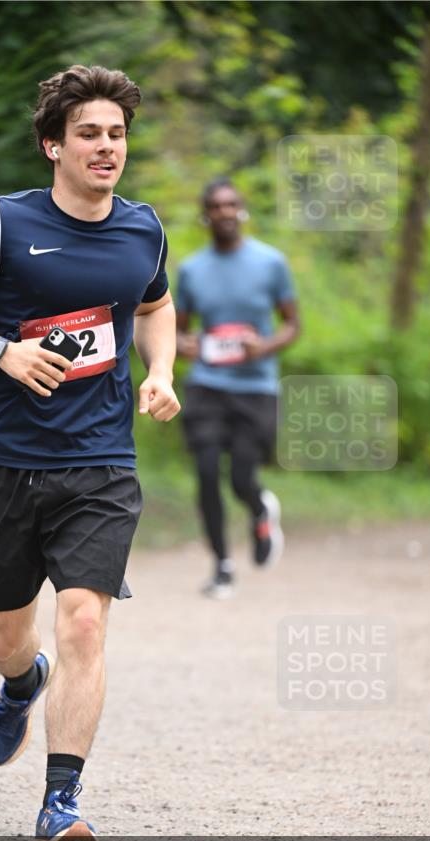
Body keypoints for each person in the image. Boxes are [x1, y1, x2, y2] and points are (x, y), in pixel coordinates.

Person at [0, 65, 180, 841]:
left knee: (86, 622)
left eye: (117, 134)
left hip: (100, 465)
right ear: (51, 145)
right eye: (90, 134)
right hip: (6, 463)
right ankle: (20, 683)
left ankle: (61, 805)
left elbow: (155, 305)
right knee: (4, 635)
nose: (107, 147)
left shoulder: (144, 230)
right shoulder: (0, 225)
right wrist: (4, 351)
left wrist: (160, 372)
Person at [176, 178, 300, 598]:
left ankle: (260, 507)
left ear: (242, 210)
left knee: (242, 478)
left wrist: (264, 346)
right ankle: (222, 566)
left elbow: (292, 324)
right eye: (215, 206)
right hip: (208, 385)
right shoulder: (192, 269)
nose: (224, 212)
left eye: (231, 205)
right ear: (205, 215)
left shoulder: (270, 263)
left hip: (256, 387)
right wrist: (182, 345)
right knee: (207, 473)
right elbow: (175, 332)